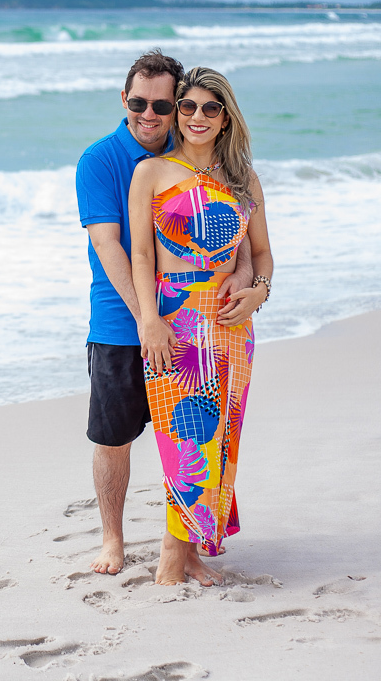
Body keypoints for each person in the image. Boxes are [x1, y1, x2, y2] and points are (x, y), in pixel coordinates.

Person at [76, 51, 253, 575]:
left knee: (193, 437)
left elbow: (239, 240)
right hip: (120, 321)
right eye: (137, 102)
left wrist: (249, 282)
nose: (148, 114)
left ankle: (184, 548)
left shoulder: (197, 156)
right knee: (114, 437)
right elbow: (111, 246)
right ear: (123, 100)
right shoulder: (102, 159)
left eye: (161, 104)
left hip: (193, 327)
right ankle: (113, 541)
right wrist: (147, 319)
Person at [127, 66, 273, 585]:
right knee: (183, 435)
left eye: (211, 108)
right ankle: (172, 550)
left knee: (221, 436)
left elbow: (260, 255)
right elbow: (141, 256)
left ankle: (190, 550)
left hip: (232, 320)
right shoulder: (151, 172)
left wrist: (257, 292)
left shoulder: (244, 178)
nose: (196, 117)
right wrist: (150, 319)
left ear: (226, 117)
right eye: (187, 107)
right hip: (176, 316)